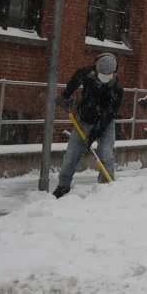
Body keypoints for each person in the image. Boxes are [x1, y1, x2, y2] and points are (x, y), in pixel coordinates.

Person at [52, 53, 123, 198]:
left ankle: (106, 188)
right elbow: (75, 80)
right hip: (84, 120)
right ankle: (63, 186)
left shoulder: (117, 88)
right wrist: (65, 95)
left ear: (114, 72)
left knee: (106, 154)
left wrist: (92, 136)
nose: (106, 75)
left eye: (109, 73)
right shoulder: (87, 74)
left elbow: (108, 115)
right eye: (103, 73)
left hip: (105, 124)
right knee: (72, 155)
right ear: (97, 70)